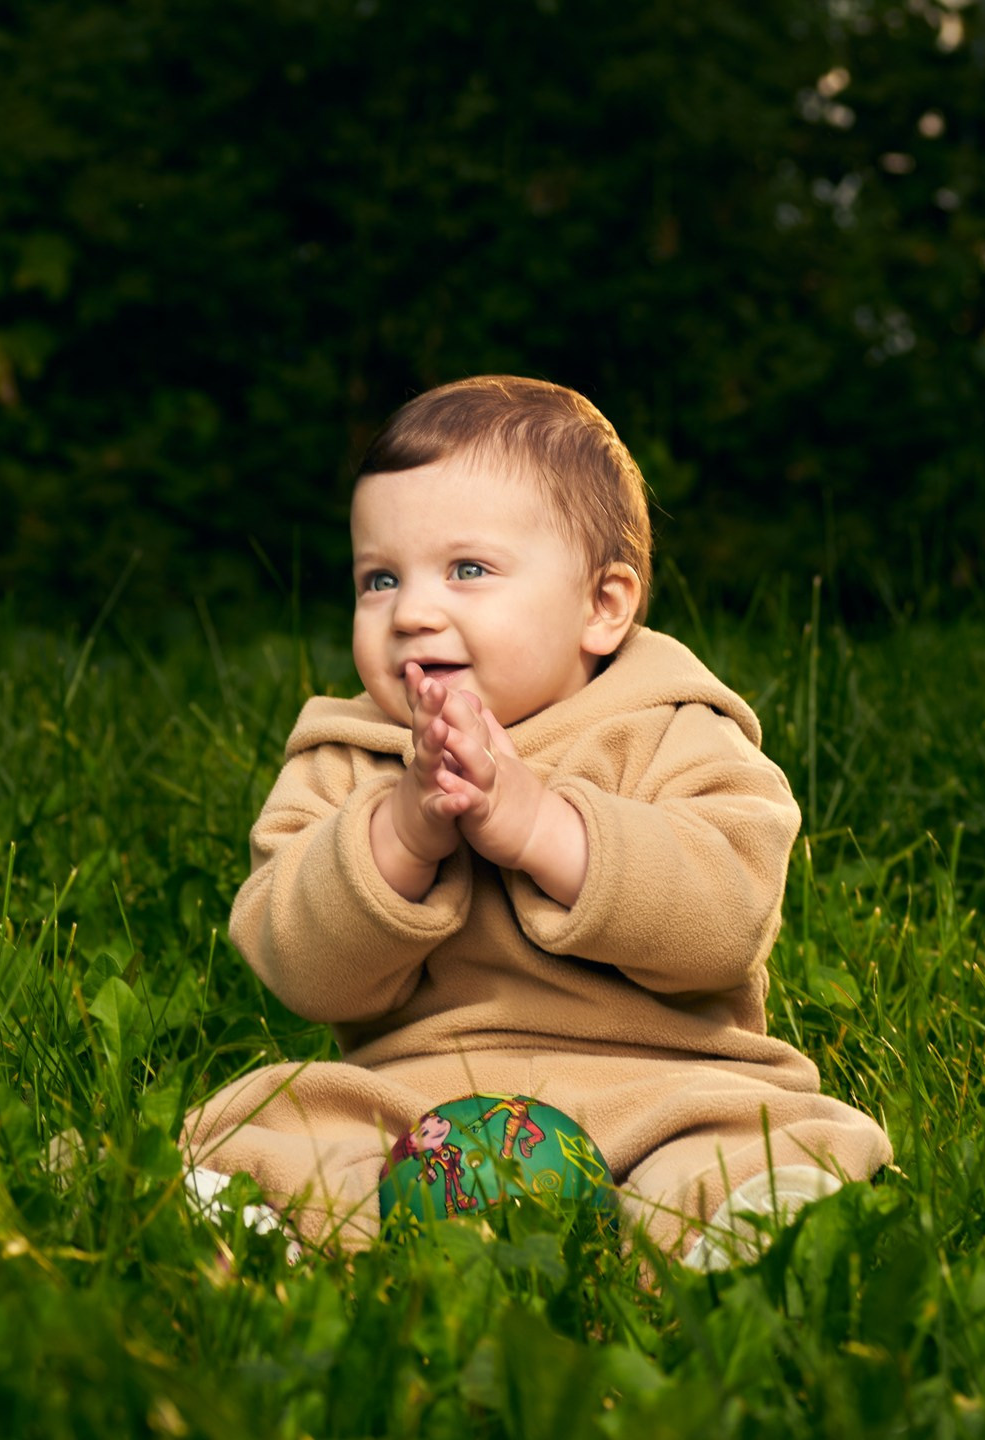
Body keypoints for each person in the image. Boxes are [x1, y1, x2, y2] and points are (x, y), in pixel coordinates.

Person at [181, 375, 890, 1269]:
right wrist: (400, 836)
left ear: (604, 606)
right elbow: (298, 964)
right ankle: (271, 1220)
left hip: (661, 1086)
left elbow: (727, 915)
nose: (412, 611)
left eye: (467, 569)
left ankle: (734, 1222)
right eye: (379, 578)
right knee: (274, 1127)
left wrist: (544, 830)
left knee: (757, 1138)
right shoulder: (349, 755)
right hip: (413, 1099)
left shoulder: (675, 730)